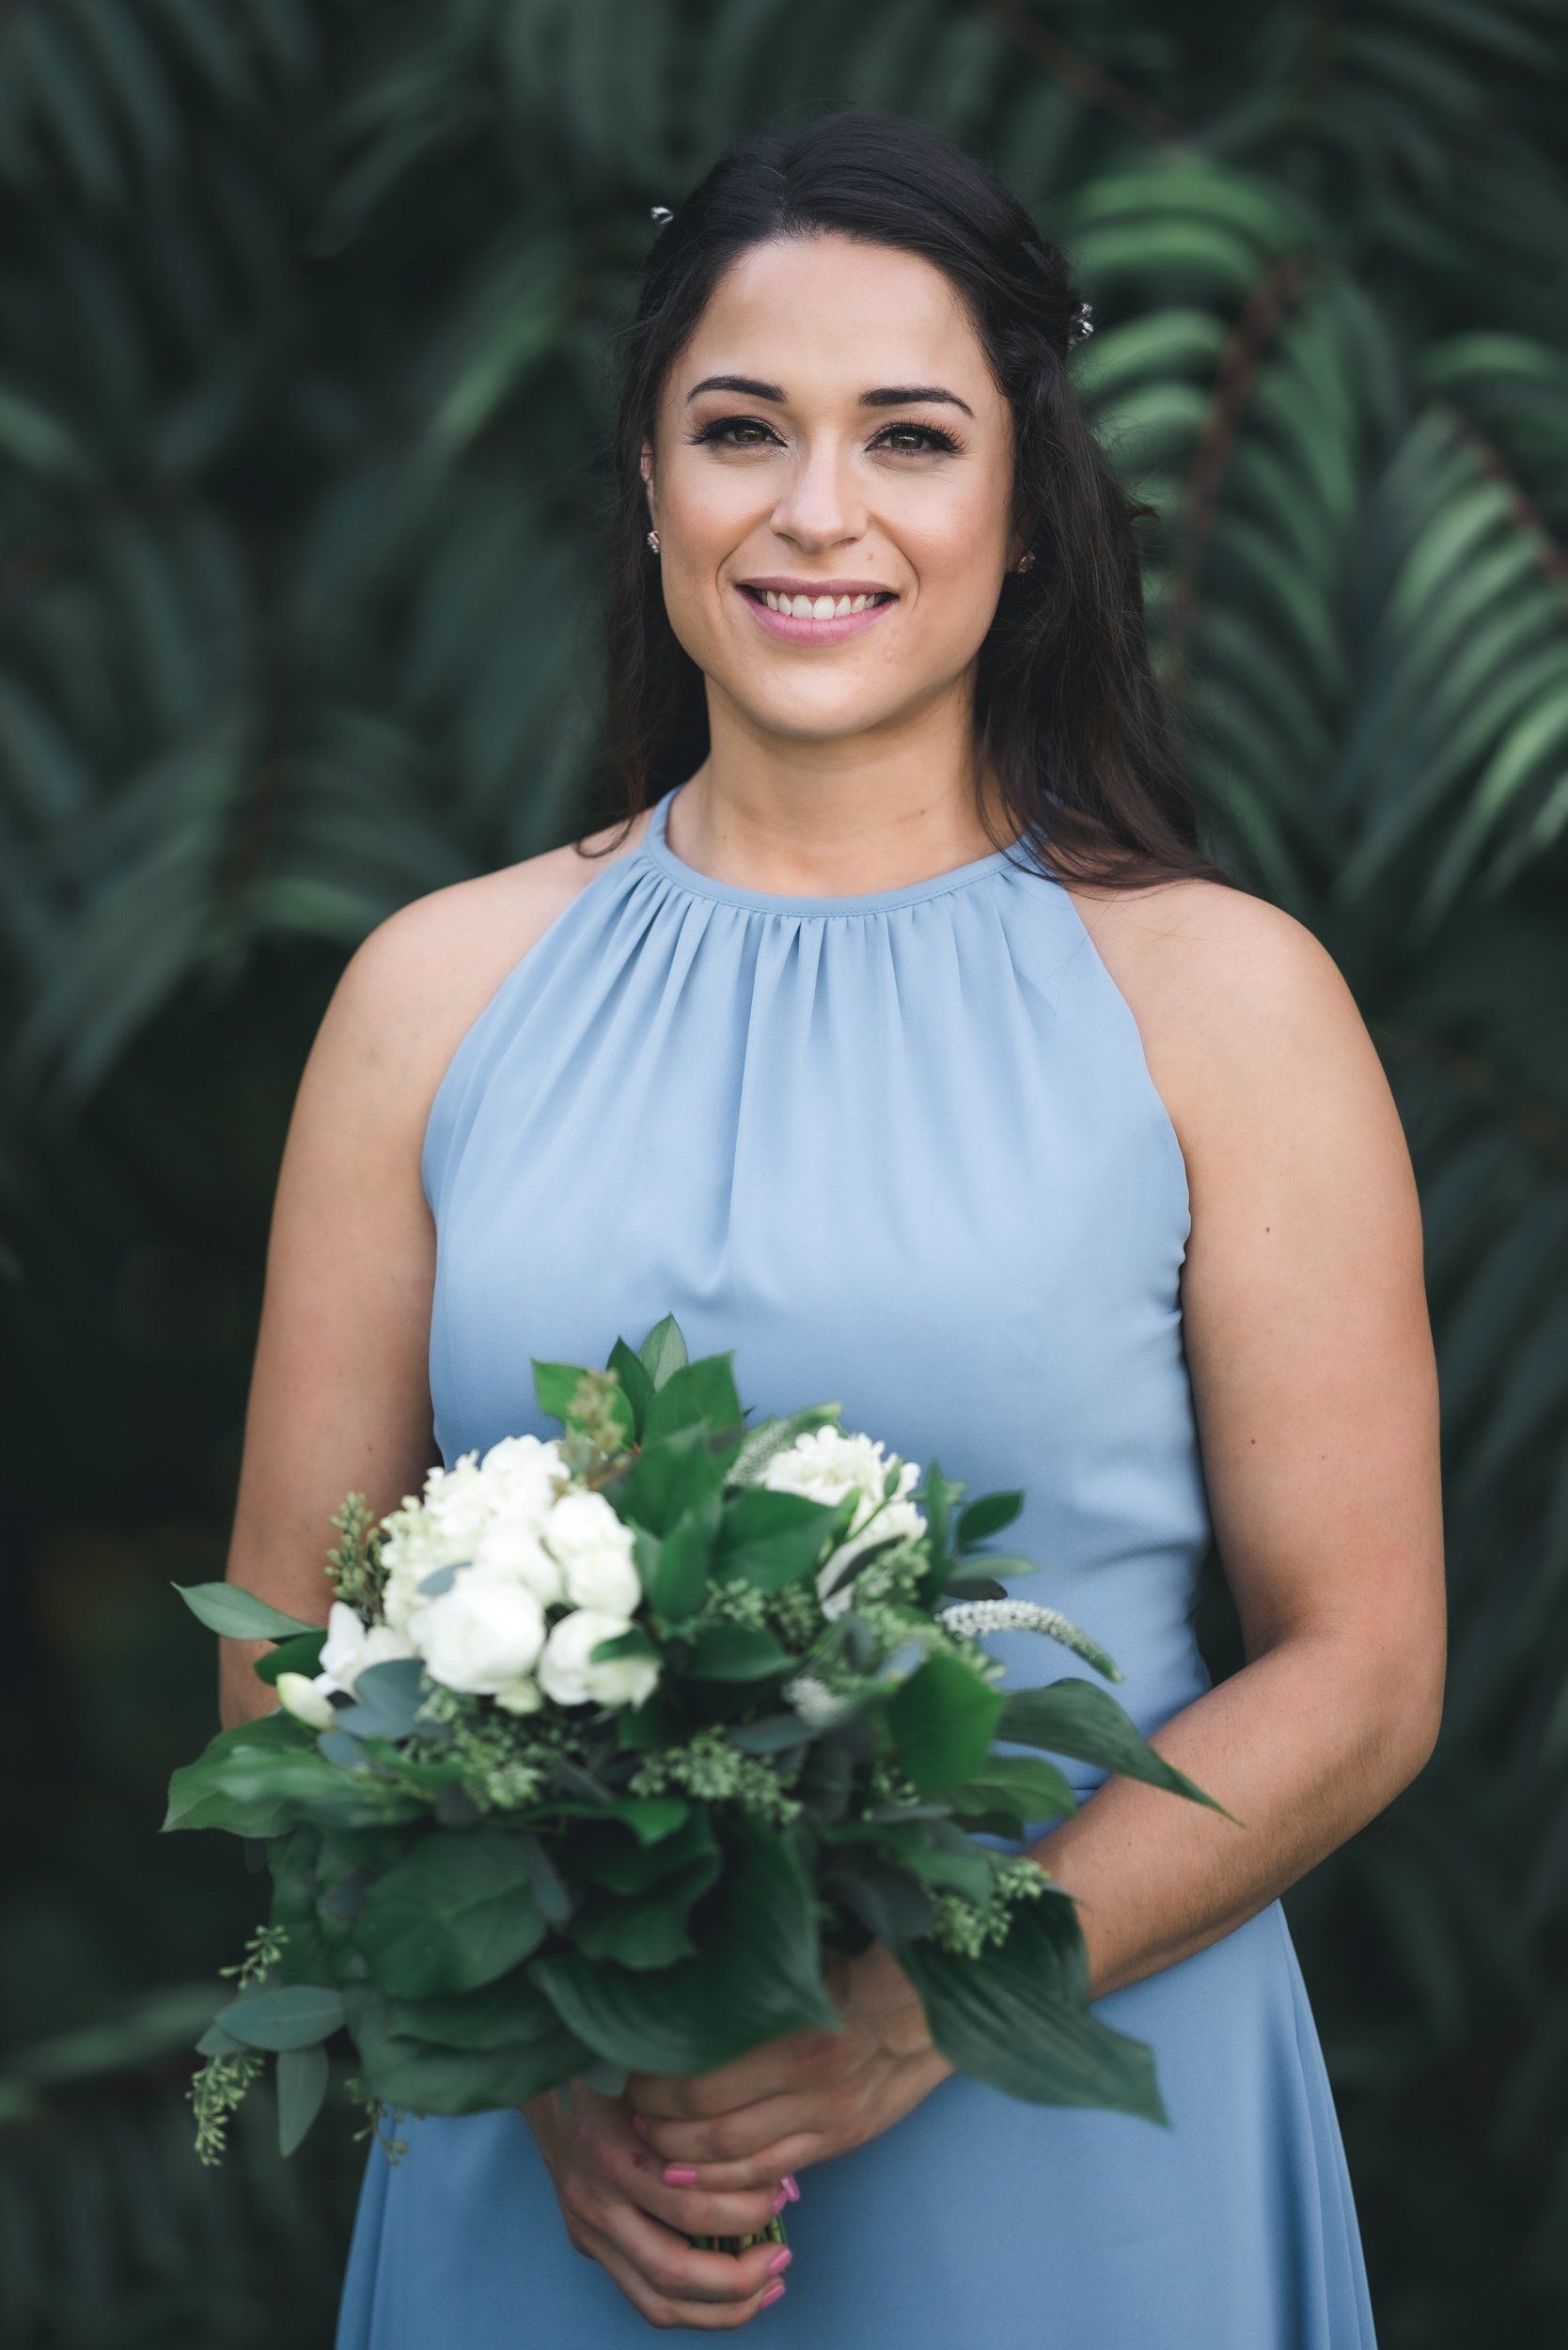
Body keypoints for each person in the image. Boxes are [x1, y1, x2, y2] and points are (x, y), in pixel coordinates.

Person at [218, 108, 1444, 2347]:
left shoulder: (1226, 1001)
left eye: (910, 435)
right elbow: (285, 1653)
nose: (817, 510)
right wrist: (552, 2059)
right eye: (741, 428)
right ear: (652, 488)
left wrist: (921, 2002)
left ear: (1023, 505)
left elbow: (1364, 1671)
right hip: (570, 2163)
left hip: (1085, 2142)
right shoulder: (430, 993)